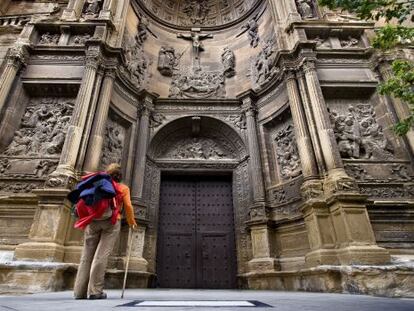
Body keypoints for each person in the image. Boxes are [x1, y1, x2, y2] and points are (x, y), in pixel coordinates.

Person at [73, 163, 137, 300]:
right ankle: (95, 291)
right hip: (112, 222)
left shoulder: (97, 184)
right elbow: (128, 206)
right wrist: (131, 222)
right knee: (101, 256)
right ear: (119, 176)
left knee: (86, 256)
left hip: (92, 221)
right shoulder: (123, 188)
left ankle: (79, 292)